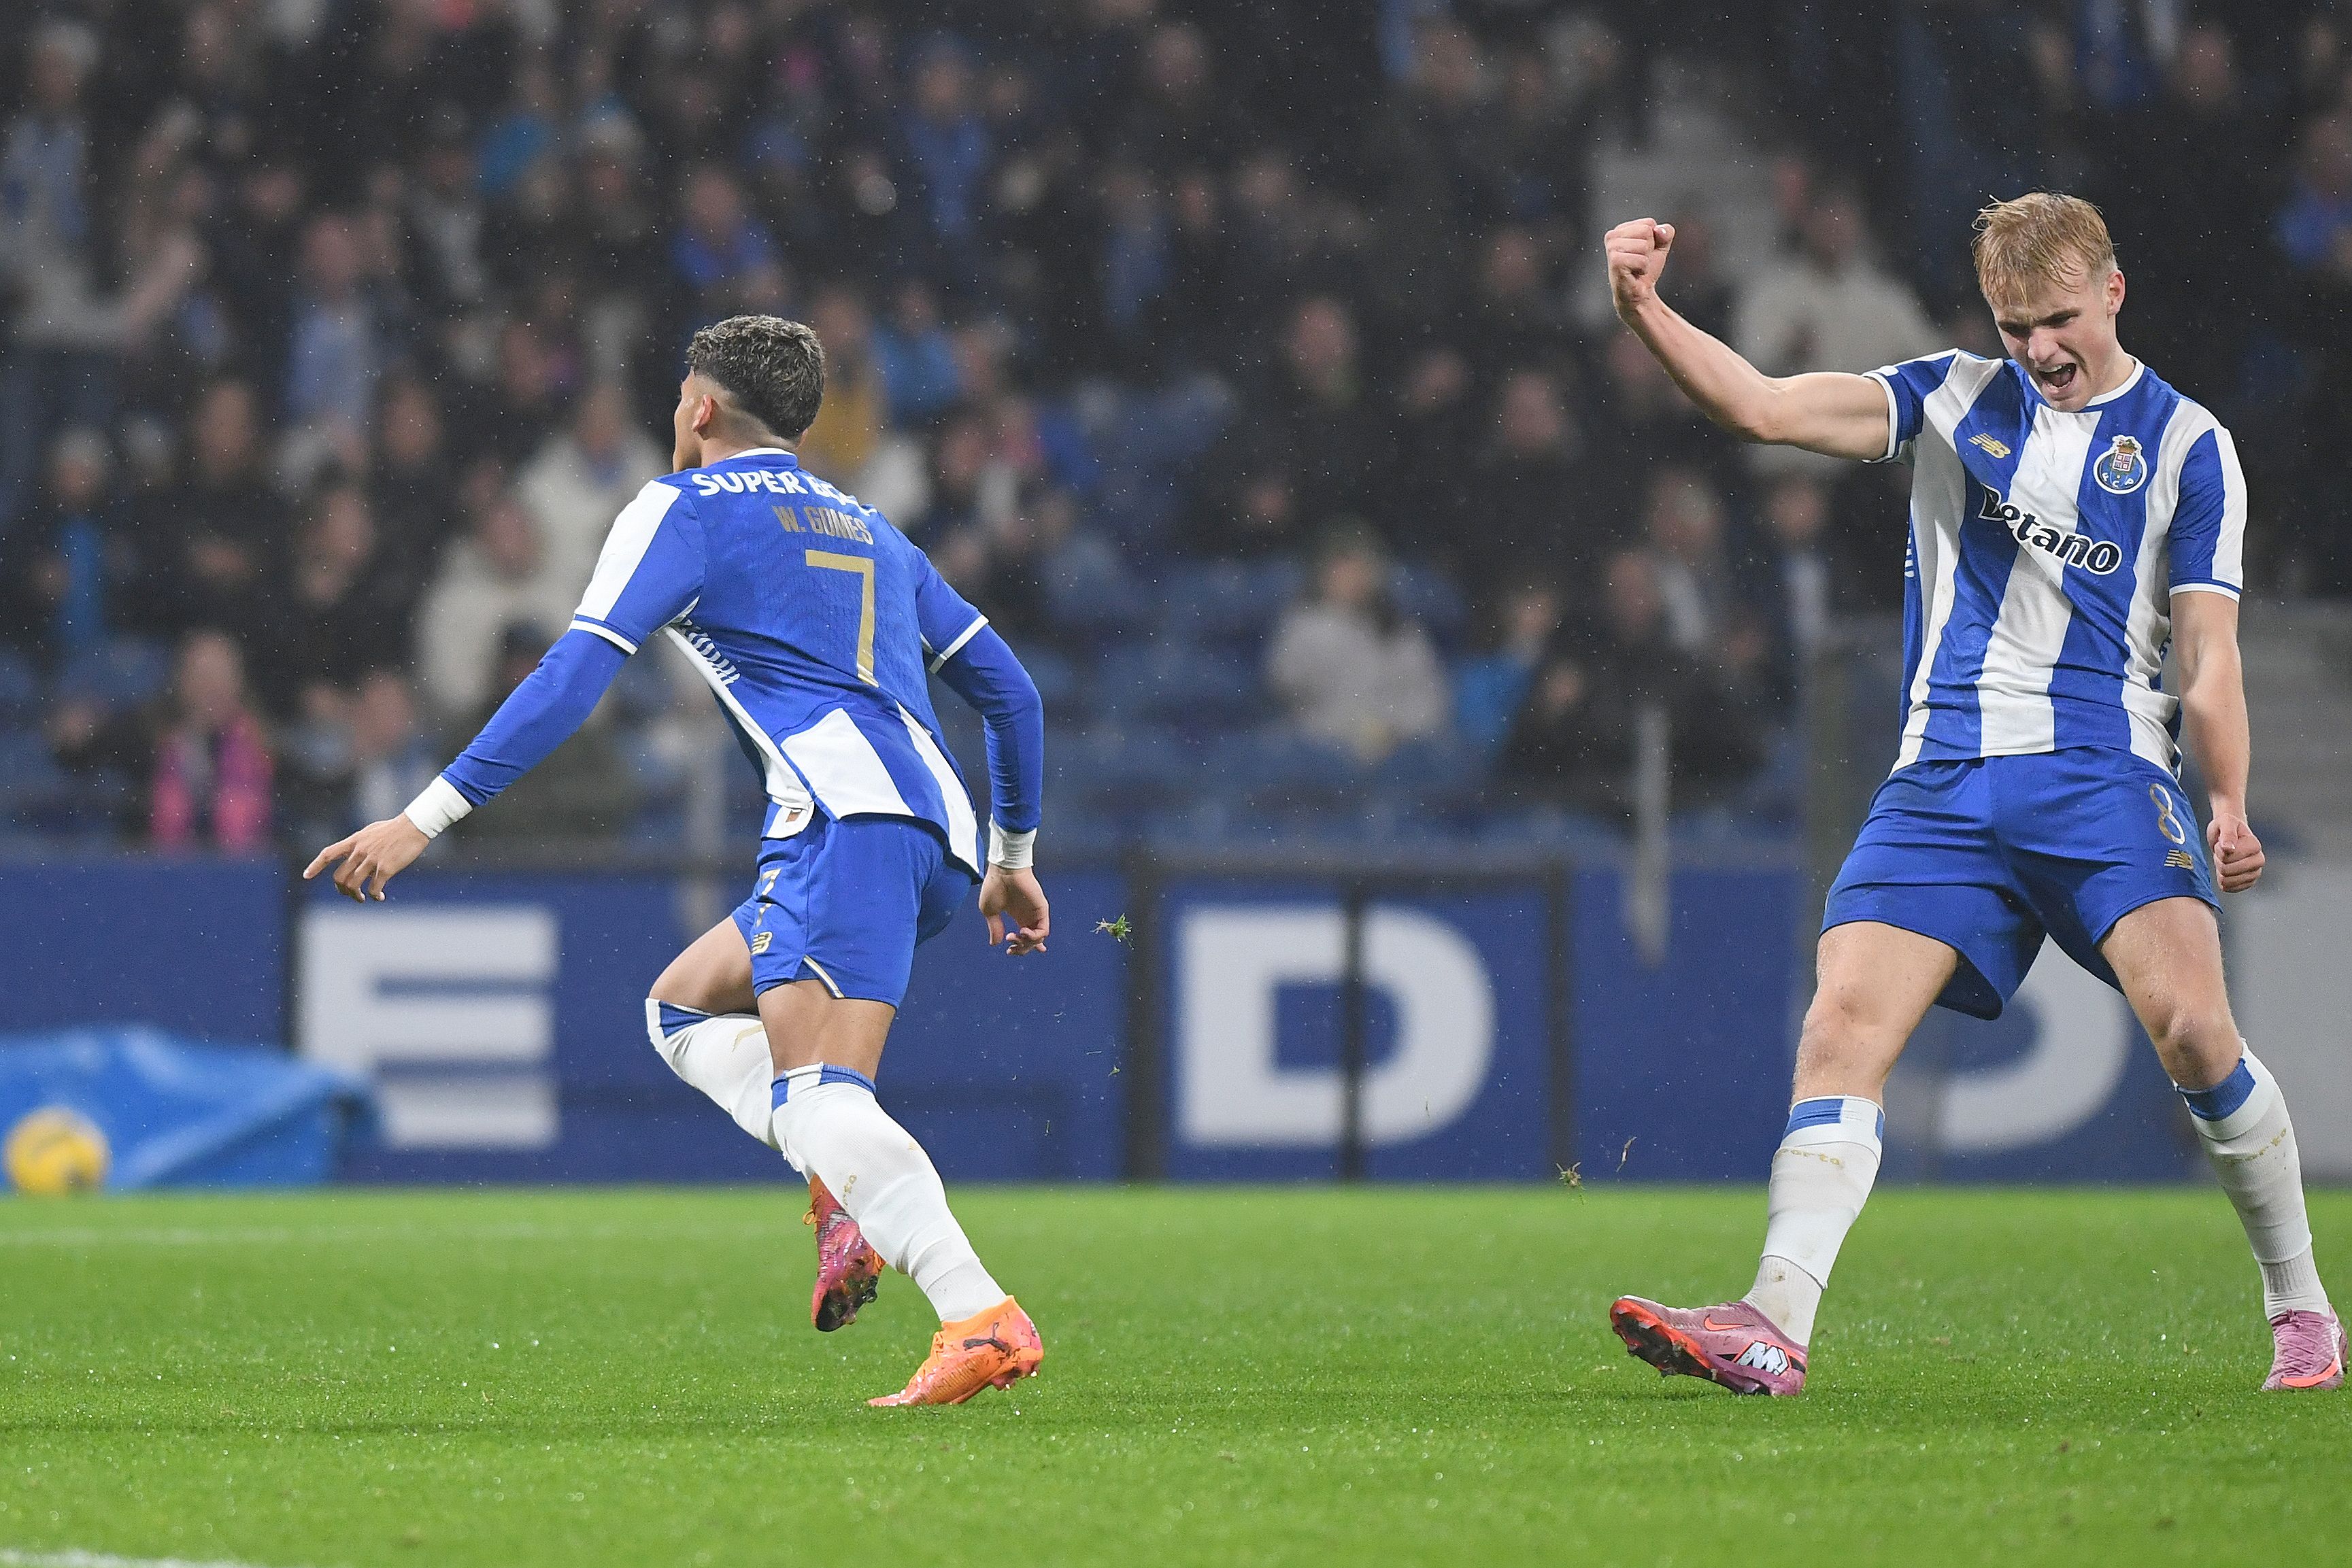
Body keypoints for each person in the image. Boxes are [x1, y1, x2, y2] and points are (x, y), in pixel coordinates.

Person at [1597, 194, 2340, 1395]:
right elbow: (1763, 407)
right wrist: (1644, 312)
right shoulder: (1948, 395)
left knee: (2196, 1035)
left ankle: (2300, 1307)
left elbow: (2208, 653)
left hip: (2103, 772)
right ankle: (1771, 1321)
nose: (2038, 348)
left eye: (2058, 319)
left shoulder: (2187, 445)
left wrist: (2229, 799)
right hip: (1939, 780)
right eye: (2013, 326)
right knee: (1840, 1025)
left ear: (2111, 291)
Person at [305, 316, 1050, 1408]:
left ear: (700, 409)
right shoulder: (871, 527)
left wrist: (424, 816)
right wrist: (1013, 854)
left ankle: (974, 1308)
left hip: (836, 823)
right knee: (682, 1006)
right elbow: (1012, 694)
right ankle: (841, 1192)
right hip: (939, 837)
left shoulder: (682, 508)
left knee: (820, 1097)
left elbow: (571, 673)